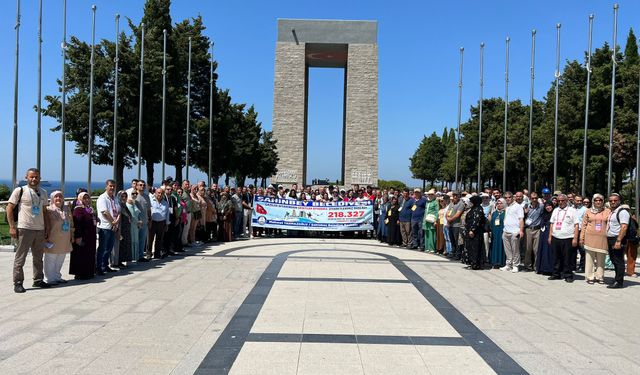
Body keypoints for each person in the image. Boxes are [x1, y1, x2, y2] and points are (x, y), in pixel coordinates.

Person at [7, 168, 50, 292]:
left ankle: (38, 280)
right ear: (26, 177)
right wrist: (12, 227)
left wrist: (47, 228)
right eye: (31, 177)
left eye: (36, 177)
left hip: (40, 229)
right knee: (20, 257)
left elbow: (45, 212)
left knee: (38, 257)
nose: (34, 179)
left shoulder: (43, 192)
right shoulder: (20, 190)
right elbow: (9, 208)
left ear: (39, 178)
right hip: (24, 228)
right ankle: (18, 282)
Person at [43, 191, 73, 285]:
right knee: (50, 258)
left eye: (60, 196)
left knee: (61, 258)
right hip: (53, 237)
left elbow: (71, 223)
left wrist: (72, 235)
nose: (58, 198)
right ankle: (49, 278)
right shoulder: (48, 209)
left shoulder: (66, 209)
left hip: (64, 238)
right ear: (52, 199)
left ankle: (57, 276)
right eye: (56, 197)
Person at [548, 194, 579, 283]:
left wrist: (575, 238)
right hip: (556, 237)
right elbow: (552, 224)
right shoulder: (555, 210)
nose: (560, 202)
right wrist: (550, 236)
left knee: (567, 258)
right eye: (559, 201)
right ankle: (556, 274)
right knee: (556, 257)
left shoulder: (572, 210)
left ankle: (568, 275)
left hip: (568, 238)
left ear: (566, 201)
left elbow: (576, 225)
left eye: (562, 201)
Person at [580, 194, 609, 284]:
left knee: (601, 259)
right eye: (596, 200)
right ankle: (590, 277)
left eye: (600, 200)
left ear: (603, 201)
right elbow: (584, 225)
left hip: (602, 239)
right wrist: (582, 238)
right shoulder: (588, 211)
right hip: (589, 238)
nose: (598, 202)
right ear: (593, 201)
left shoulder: (608, 211)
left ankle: (600, 276)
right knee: (589, 259)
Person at [69, 192, 97, 280]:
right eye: (84, 198)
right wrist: (78, 236)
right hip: (82, 236)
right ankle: (80, 273)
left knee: (90, 254)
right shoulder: (78, 209)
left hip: (90, 236)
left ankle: (89, 272)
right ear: (80, 199)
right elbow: (77, 223)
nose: (87, 200)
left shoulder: (89, 209)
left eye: (88, 198)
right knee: (81, 254)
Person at [96, 179, 119, 275]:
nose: (112, 188)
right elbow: (104, 212)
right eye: (110, 186)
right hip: (104, 227)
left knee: (109, 248)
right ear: (106, 186)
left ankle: (105, 265)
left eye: (114, 186)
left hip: (113, 226)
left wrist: (116, 222)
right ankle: (98, 267)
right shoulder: (102, 198)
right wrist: (113, 223)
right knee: (102, 248)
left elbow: (119, 211)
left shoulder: (115, 198)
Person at [606, 193, 629, 289]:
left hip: (618, 238)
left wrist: (618, 241)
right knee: (614, 259)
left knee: (618, 260)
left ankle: (619, 282)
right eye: (611, 201)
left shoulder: (622, 212)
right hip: (611, 238)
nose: (613, 202)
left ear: (619, 201)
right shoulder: (612, 211)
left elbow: (624, 227)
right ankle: (617, 278)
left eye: (615, 200)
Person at [501, 192, 524, 273]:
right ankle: (508, 265)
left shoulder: (518, 207)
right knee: (508, 250)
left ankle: (516, 265)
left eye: (509, 197)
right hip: (506, 231)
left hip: (515, 232)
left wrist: (521, 230)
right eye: (506, 197)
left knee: (515, 250)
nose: (507, 199)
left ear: (513, 197)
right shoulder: (507, 206)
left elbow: (521, 219)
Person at [523, 192, 543, 272]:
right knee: (528, 249)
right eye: (532, 198)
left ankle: (536, 266)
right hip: (528, 229)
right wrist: (525, 213)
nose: (534, 200)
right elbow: (522, 217)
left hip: (537, 229)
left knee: (536, 249)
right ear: (530, 198)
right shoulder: (526, 206)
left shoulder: (541, 206)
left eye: (536, 198)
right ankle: (527, 266)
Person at [465, 195, 486, 270]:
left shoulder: (478, 209)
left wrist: (472, 230)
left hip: (475, 232)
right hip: (470, 231)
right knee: (470, 247)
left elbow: (477, 220)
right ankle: (471, 262)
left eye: (471, 201)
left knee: (475, 248)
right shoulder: (473, 209)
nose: (470, 203)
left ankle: (475, 264)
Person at [148, 187, 170, 259]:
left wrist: (167, 224)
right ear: (155, 193)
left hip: (162, 223)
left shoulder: (165, 203)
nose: (160, 194)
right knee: (150, 238)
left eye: (161, 193)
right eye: (158, 193)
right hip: (153, 222)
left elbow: (167, 214)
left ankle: (157, 254)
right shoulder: (151, 201)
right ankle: (149, 254)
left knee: (159, 239)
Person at [535, 201, 555, 275]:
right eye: (546, 206)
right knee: (542, 251)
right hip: (543, 234)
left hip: (550, 234)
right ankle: (542, 268)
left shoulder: (554, 214)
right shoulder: (543, 214)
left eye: (549, 205)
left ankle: (549, 269)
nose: (548, 207)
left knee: (549, 251)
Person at [115, 190, 133, 267]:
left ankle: (122, 261)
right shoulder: (118, 206)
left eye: (125, 196)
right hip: (120, 229)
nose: (124, 198)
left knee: (125, 246)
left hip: (126, 229)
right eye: (122, 196)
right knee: (120, 246)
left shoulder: (124, 206)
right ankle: (117, 262)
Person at [446, 191, 465, 259]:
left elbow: (458, 214)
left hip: (457, 225)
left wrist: (450, 219)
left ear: (459, 196)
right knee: (452, 239)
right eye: (454, 195)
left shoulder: (461, 204)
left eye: (457, 195)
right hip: (451, 225)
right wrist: (447, 218)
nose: (455, 196)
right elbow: (447, 212)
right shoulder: (451, 203)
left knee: (457, 240)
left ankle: (458, 253)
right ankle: (453, 252)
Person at [489, 198, 506, 269]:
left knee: (502, 246)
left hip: (502, 232)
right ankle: (494, 262)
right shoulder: (494, 213)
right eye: (497, 203)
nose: (499, 205)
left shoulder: (506, 212)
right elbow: (491, 223)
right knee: (494, 246)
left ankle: (502, 262)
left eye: (501, 203)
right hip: (495, 233)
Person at [127, 191, 143, 263]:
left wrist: (140, 221)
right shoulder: (127, 205)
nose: (134, 195)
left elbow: (137, 215)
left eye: (136, 194)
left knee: (136, 241)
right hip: (130, 225)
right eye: (133, 193)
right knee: (131, 241)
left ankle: (135, 257)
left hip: (136, 226)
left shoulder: (134, 203)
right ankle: (130, 258)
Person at [573, 195, 587, 273]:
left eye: (580, 201)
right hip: (572, 232)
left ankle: (582, 267)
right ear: (574, 200)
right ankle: (573, 266)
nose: (579, 202)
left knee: (582, 250)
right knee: (572, 250)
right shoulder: (570, 209)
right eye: (577, 200)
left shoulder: (585, 209)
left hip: (581, 231)